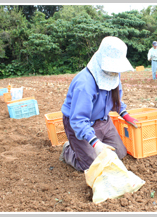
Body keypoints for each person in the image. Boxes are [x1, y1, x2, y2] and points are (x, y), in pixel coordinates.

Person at [59, 36, 138, 172]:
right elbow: (78, 119)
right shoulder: (84, 84)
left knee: (119, 153)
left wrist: (125, 115)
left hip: (102, 121)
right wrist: (95, 143)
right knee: (92, 166)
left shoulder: (113, 74)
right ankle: (68, 150)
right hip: (81, 124)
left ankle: (91, 144)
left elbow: (115, 99)